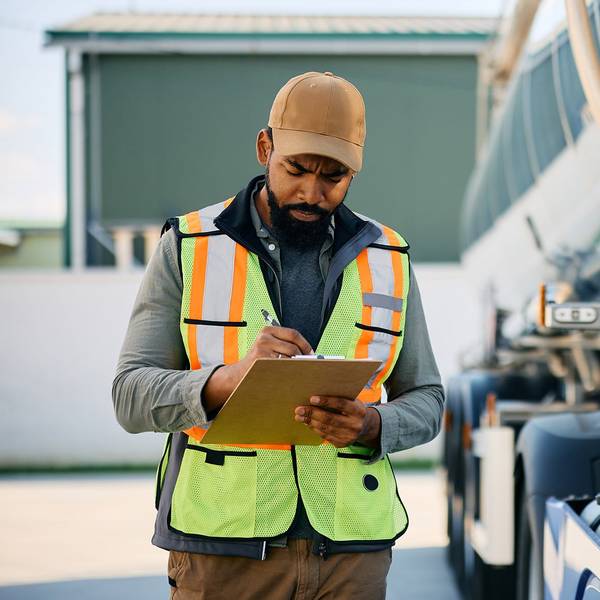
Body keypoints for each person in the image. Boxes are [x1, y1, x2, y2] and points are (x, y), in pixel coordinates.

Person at [112, 71, 445, 599]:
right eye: (296, 169)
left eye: (333, 177)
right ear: (265, 147)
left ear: (355, 170)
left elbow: (428, 400)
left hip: (352, 558)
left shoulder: (388, 257)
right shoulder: (190, 245)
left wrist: (374, 424)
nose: (311, 193)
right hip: (223, 554)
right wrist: (229, 381)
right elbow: (130, 396)